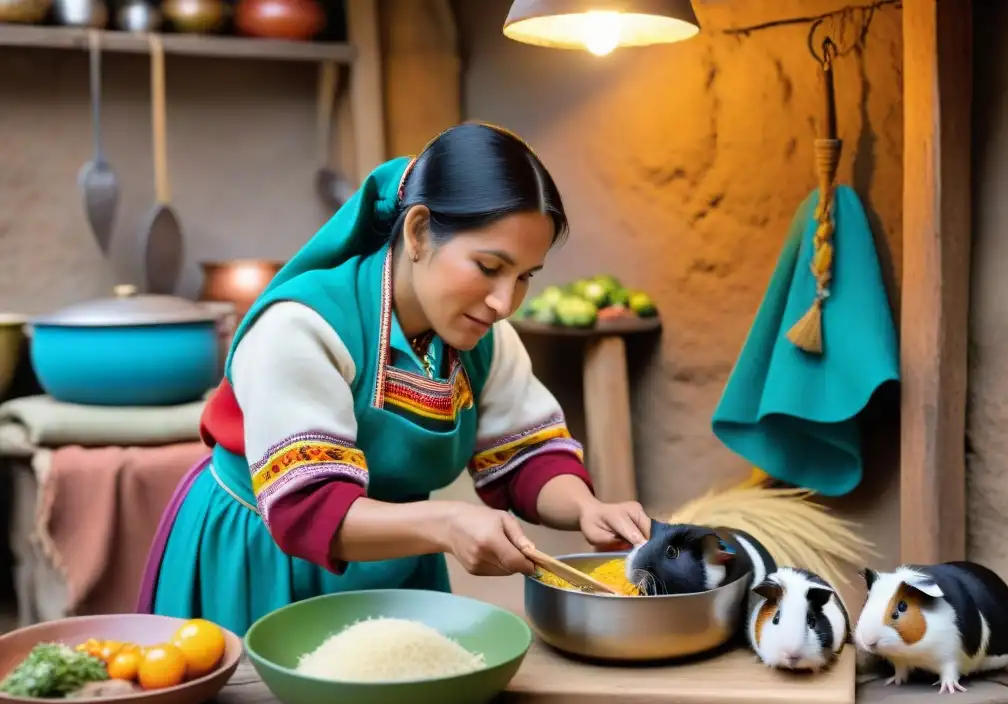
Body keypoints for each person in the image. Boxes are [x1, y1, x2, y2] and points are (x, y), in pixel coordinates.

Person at [136, 122, 653, 637]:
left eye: (524, 277)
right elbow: (307, 510)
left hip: (402, 552)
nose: (503, 301)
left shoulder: (483, 335)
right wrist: (447, 525)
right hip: (265, 557)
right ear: (419, 231)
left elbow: (527, 457)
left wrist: (587, 508)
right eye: (488, 266)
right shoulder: (300, 327)